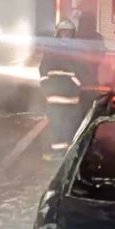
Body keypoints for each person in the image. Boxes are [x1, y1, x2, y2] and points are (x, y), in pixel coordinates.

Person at [39, 19, 94, 161]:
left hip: (59, 94)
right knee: (66, 123)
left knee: (60, 123)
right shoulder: (75, 49)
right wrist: (76, 82)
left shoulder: (53, 49)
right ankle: (67, 153)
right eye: (64, 31)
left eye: (67, 32)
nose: (65, 35)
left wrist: (46, 86)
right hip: (65, 94)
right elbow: (84, 70)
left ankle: (61, 153)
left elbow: (43, 70)